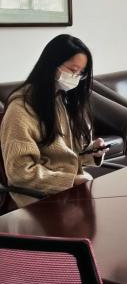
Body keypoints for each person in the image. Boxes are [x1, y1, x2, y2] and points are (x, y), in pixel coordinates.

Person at [0, 34, 108, 207]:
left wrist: (91, 152)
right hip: (37, 198)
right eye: (73, 70)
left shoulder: (62, 98)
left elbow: (64, 155)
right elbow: (20, 172)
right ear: (52, 64)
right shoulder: (21, 108)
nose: (76, 77)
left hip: (67, 191)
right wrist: (71, 181)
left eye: (81, 73)